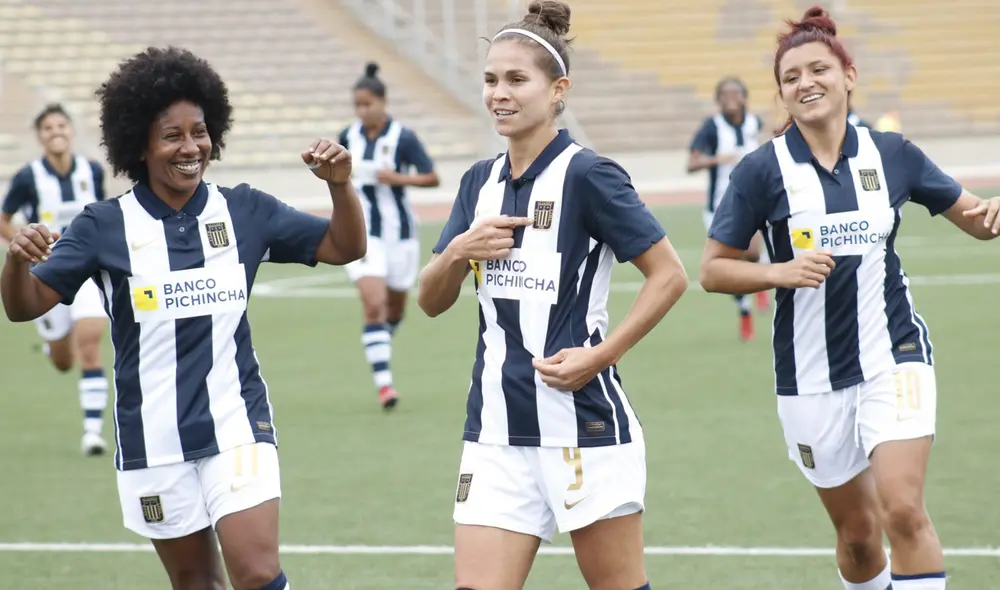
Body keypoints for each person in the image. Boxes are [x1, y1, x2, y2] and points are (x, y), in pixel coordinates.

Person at [1, 46, 367, 590]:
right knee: (197, 584)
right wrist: (14, 260)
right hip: (151, 438)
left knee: (258, 572)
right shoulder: (102, 225)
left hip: (236, 424)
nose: (190, 147)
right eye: (171, 135)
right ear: (140, 145)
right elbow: (24, 306)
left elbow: (344, 246)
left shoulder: (245, 210)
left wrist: (339, 185)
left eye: (199, 132)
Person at [699, 7, 999, 590]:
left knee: (904, 510)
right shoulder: (761, 171)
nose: (806, 83)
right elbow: (712, 271)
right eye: (791, 77)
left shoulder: (892, 154)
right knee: (859, 537)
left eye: (819, 69)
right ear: (782, 95)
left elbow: (978, 222)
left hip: (894, 353)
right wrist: (780, 272)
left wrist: (993, 213)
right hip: (809, 373)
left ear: (848, 76)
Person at [417, 2, 689, 589]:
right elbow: (430, 299)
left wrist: (600, 356)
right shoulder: (477, 183)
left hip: (582, 424)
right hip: (494, 428)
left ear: (557, 89)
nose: (499, 94)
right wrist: (461, 249)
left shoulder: (590, 175)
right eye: (491, 80)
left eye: (517, 79)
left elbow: (669, 275)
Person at [0, 104, 111, 456]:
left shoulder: (91, 170)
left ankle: (92, 432)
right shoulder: (29, 176)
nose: (55, 132)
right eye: (48, 128)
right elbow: (3, 218)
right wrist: (22, 242)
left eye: (61, 125)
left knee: (90, 344)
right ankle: (53, 346)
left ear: (71, 131)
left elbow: (103, 211)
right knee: (64, 361)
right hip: (46, 275)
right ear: (40, 136)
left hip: (89, 273)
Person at [338, 61, 440, 411]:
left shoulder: (403, 138)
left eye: (368, 104)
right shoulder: (347, 137)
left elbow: (432, 177)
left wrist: (399, 179)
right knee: (375, 304)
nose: (363, 111)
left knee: (395, 309)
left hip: (402, 234)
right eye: (358, 105)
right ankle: (385, 386)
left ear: (383, 102)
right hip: (363, 234)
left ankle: (378, 339)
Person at [687, 76, 770, 341]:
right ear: (718, 100)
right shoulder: (711, 127)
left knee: (754, 254)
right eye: (724, 94)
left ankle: (761, 283)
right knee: (730, 263)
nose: (731, 99)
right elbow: (691, 163)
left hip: (753, 202)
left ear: (745, 97)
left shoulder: (754, 123)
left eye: (736, 93)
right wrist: (716, 160)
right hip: (719, 208)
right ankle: (744, 313)